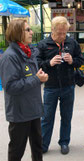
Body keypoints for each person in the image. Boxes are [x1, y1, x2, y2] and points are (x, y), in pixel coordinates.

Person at [0, 19, 48, 161]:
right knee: (17, 150)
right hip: (19, 112)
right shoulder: (10, 57)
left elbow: (31, 77)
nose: (31, 32)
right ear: (17, 32)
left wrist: (39, 77)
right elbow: (10, 86)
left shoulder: (29, 52)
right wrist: (37, 79)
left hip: (33, 109)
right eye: (27, 30)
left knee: (38, 147)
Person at [37, 16, 84, 155]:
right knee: (46, 118)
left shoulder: (72, 42)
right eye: (59, 33)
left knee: (66, 116)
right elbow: (36, 63)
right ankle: (43, 145)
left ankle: (64, 142)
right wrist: (49, 63)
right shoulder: (43, 44)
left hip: (68, 86)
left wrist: (72, 61)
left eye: (65, 33)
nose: (62, 36)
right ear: (52, 30)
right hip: (50, 86)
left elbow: (80, 60)